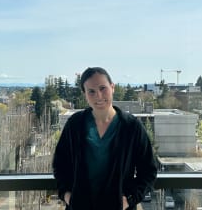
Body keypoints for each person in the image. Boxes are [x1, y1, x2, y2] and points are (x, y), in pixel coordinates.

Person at [52, 67, 157, 210]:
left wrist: (129, 199)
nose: (99, 96)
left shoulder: (131, 127)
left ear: (112, 87)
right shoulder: (75, 125)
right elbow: (60, 164)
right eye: (91, 91)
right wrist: (67, 195)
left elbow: (148, 171)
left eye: (103, 88)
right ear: (85, 94)